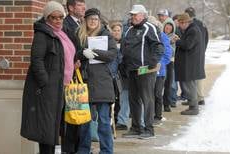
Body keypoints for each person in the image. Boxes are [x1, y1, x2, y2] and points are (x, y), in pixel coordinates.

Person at [20, 1, 77, 154]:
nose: (58, 20)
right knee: (47, 127)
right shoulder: (42, 34)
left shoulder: (62, 33)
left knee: (57, 126)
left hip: (63, 86)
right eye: (54, 17)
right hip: (49, 89)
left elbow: (63, 58)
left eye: (61, 17)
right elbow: (36, 60)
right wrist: (45, 82)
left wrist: (73, 66)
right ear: (47, 18)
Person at [76, 8, 117, 154]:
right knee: (84, 121)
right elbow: (73, 54)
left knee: (104, 121)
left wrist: (94, 53)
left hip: (102, 83)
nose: (93, 22)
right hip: (84, 83)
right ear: (85, 21)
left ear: (99, 21)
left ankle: (106, 150)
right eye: (90, 19)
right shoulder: (79, 35)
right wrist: (82, 53)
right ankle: (84, 150)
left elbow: (112, 54)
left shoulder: (106, 35)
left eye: (95, 19)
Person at [121, 4, 164, 139]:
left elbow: (158, 46)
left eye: (135, 14)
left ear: (143, 15)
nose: (133, 17)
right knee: (133, 99)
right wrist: (123, 65)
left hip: (145, 70)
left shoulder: (149, 28)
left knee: (147, 99)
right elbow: (124, 49)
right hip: (132, 70)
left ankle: (149, 129)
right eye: (132, 14)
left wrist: (152, 62)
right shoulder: (129, 30)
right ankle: (136, 127)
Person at [61, 1, 86, 153]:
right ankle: (69, 149)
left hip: (81, 75)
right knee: (71, 114)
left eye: (84, 5)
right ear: (70, 8)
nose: (83, 8)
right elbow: (66, 49)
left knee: (79, 113)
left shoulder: (82, 23)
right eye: (79, 5)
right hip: (70, 75)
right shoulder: (65, 25)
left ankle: (77, 148)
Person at [174, 13, 203, 115]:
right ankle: (192, 104)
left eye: (180, 23)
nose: (179, 26)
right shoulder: (192, 29)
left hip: (190, 63)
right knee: (190, 85)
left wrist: (177, 41)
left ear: (185, 22)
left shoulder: (192, 30)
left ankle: (194, 107)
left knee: (189, 85)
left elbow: (187, 45)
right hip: (190, 62)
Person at [147, 16, 172, 125]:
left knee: (157, 94)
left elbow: (167, 55)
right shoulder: (146, 36)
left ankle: (158, 115)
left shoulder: (163, 37)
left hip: (159, 72)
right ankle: (148, 116)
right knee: (148, 94)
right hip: (147, 71)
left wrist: (158, 64)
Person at [184, 7, 208, 106]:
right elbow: (207, 39)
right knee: (199, 74)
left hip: (194, 52)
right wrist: (203, 50)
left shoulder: (191, 25)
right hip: (200, 52)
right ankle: (199, 97)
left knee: (193, 76)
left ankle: (195, 99)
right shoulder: (202, 24)